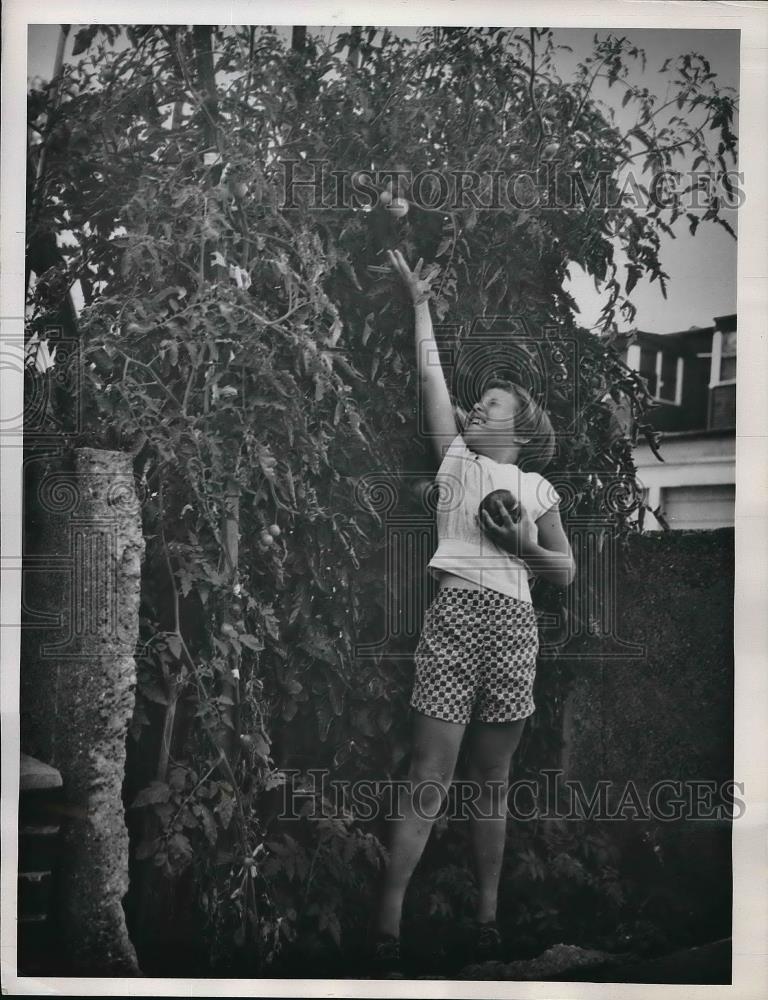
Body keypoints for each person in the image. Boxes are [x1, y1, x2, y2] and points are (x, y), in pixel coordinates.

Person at [369, 250, 576, 972]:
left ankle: (487, 920)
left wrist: (525, 543)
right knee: (430, 775)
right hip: (455, 618)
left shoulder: (537, 487)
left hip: (515, 629)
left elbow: (566, 570)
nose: (475, 405)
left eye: (490, 406)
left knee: (492, 783)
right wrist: (418, 303)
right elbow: (430, 375)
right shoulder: (455, 457)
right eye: (479, 402)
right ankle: (387, 927)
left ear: (515, 432)